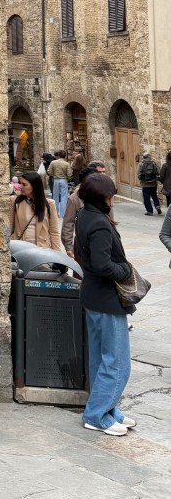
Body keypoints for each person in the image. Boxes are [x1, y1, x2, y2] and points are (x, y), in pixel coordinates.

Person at [75, 173, 137, 436]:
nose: (113, 199)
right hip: (106, 299)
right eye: (111, 194)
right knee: (118, 362)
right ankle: (96, 414)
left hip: (93, 296)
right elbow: (102, 264)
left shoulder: (84, 216)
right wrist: (125, 270)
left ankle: (108, 409)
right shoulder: (99, 223)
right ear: (104, 197)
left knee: (100, 359)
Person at [8, 170, 65, 251]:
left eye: (24, 184)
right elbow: (9, 227)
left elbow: (54, 232)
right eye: (20, 183)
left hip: (42, 250)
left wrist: (58, 254)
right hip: (20, 249)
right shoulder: (15, 201)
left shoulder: (49, 204)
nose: (20, 186)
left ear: (34, 186)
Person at [61, 161, 106, 257]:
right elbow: (68, 223)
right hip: (83, 244)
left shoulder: (104, 195)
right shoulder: (75, 198)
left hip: (103, 241)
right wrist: (68, 245)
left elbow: (111, 220)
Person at [47, 150, 72, 219]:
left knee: (55, 196)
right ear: (65, 156)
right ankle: (62, 214)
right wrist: (67, 178)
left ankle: (55, 212)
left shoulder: (53, 162)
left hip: (56, 180)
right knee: (64, 197)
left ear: (58, 155)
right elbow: (69, 174)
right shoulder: (67, 164)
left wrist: (53, 174)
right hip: (63, 180)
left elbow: (49, 171)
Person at [137, 151, 162, 216]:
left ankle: (149, 211)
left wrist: (142, 180)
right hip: (153, 183)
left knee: (146, 197)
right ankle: (157, 206)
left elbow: (139, 175)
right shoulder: (154, 163)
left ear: (143, 157)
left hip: (145, 184)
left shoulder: (141, 164)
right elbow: (158, 173)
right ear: (149, 157)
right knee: (154, 195)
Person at [159, 150, 171, 215]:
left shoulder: (165, 165)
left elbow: (161, 176)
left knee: (169, 201)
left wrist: (161, 181)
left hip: (168, 187)